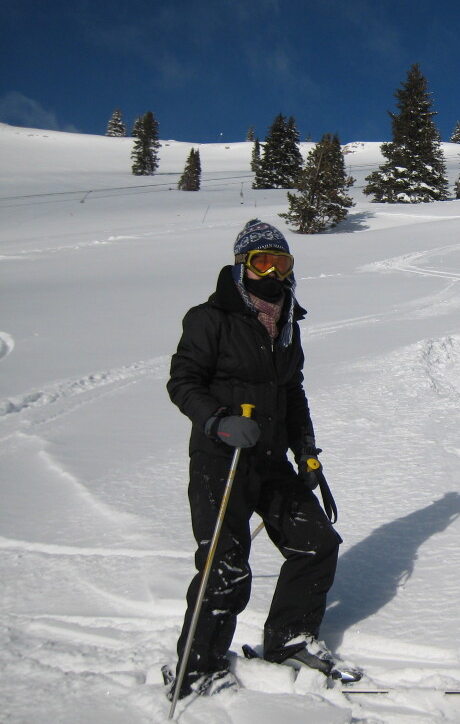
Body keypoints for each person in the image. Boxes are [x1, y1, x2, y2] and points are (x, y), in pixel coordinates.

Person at [166, 218, 355, 698]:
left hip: (271, 461)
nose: (272, 271)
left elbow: (292, 394)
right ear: (241, 265)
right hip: (220, 460)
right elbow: (182, 381)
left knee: (317, 543)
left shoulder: (288, 322)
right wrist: (217, 421)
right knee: (225, 564)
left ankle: (289, 639)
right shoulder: (210, 318)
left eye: (281, 261)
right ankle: (197, 667)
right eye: (261, 260)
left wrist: (307, 452)